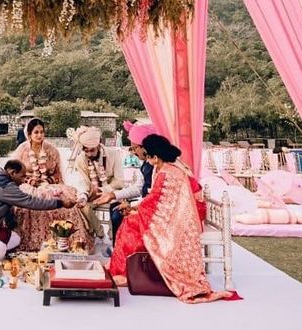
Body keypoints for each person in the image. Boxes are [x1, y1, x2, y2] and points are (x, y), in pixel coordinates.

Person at [108, 134, 232, 302]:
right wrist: (135, 211)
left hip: (179, 220)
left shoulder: (166, 173)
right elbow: (157, 200)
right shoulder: (166, 169)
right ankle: (128, 270)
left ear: (155, 157)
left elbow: (154, 201)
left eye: (147, 154)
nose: (145, 157)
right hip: (177, 214)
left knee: (130, 225)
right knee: (131, 222)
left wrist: (133, 210)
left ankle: (124, 272)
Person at [0, 160, 75, 261]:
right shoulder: (4, 186)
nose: (24, 180)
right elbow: (31, 202)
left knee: (15, 239)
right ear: (12, 173)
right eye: (22, 176)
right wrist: (60, 203)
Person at [11, 118, 94, 252]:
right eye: (36, 132)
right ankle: (32, 241)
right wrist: (30, 181)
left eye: (42, 132)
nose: (39, 135)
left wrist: (47, 182)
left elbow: (57, 174)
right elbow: (14, 174)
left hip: (48, 184)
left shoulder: (51, 150)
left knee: (65, 200)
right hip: (26, 184)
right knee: (27, 201)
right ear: (29, 134)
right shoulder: (22, 150)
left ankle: (67, 242)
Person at [68, 125, 124, 241]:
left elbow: (119, 181)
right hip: (93, 195)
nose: (89, 154)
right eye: (85, 150)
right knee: (82, 206)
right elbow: (82, 182)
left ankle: (113, 238)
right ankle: (100, 234)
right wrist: (83, 195)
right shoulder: (80, 159)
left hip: (113, 194)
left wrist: (104, 190)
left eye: (92, 150)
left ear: (98, 145)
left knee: (116, 214)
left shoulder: (114, 154)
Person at [108, 120, 158, 244]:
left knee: (117, 215)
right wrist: (114, 195)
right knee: (114, 206)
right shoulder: (146, 162)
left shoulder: (157, 166)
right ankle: (117, 248)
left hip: (152, 209)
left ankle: (124, 250)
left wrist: (132, 206)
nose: (133, 152)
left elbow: (154, 196)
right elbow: (138, 188)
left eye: (135, 148)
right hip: (144, 203)